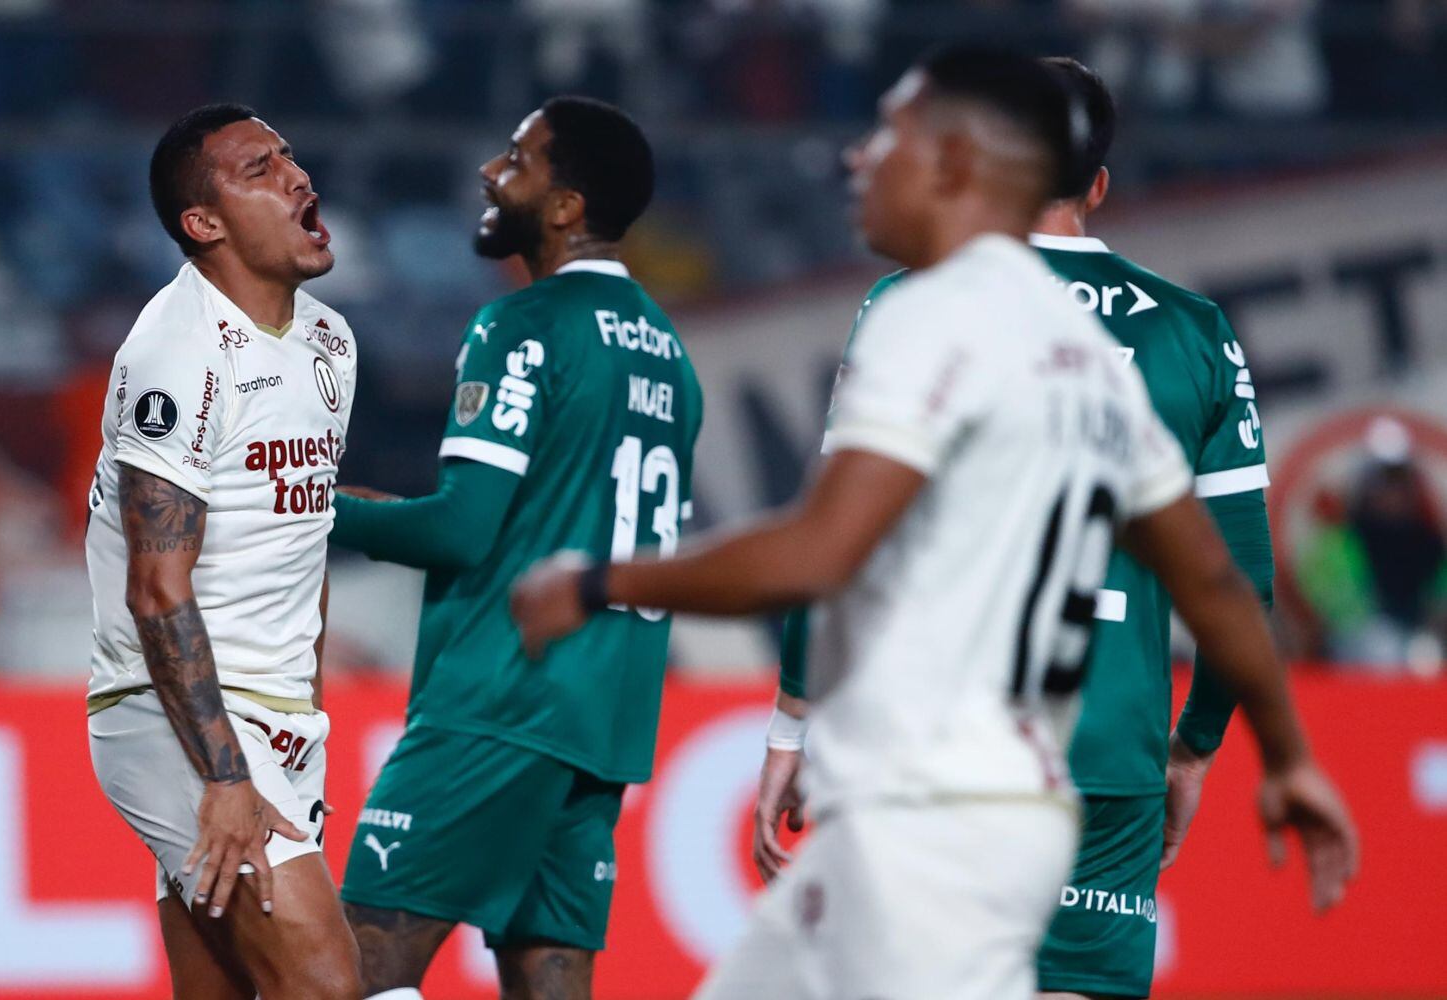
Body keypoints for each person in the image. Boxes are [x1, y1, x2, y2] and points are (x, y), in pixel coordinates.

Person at [511, 47, 1357, 999]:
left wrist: (600, 581)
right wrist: (1277, 756)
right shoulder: (1104, 357)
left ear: (959, 164)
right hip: (1039, 785)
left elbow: (822, 551)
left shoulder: (924, 311)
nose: (859, 156)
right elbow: (1220, 579)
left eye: (890, 134)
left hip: (934, 807)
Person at [758, 57, 1282, 1000]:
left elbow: (835, 539)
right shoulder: (1196, 331)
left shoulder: (916, 306)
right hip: (1113, 748)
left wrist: (795, 720)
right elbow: (1243, 576)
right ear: (1097, 185)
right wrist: (1193, 745)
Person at [330, 97, 701, 1000]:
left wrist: (308, 508)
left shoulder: (523, 326)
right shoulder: (671, 357)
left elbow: (462, 529)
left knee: (353, 971)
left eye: (517, 160)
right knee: (550, 980)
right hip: (602, 718)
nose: (490, 175)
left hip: (501, 700)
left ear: (566, 205)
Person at [84, 104, 361, 1000]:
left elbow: (304, 538)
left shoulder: (329, 340)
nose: (297, 177)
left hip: (279, 718)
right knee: (326, 983)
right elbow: (156, 588)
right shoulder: (177, 351)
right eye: (259, 170)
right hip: (173, 715)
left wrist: (306, 721)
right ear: (203, 224)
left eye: (289, 155)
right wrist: (227, 774)